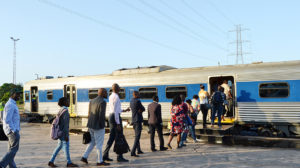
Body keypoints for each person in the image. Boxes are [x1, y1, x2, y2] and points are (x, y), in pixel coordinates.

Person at [81, 88, 110, 166]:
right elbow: (101, 115)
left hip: (91, 124)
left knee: (93, 142)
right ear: (102, 93)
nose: (107, 94)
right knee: (99, 144)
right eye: (106, 92)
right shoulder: (103, 102)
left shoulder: (92, 101)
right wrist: (102, 126)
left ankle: (84, 156)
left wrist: (89, 124)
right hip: (98, 126)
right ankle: (100, 161)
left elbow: (89, 113)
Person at [103, 83, 130, 162]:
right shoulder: (116, 97)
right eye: (119, 88)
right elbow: (115, 111)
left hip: (111, 116)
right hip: (115, 117)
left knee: (112, 137)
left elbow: (116, 109)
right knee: (119, 136)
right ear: (117, 89)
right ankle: (119, 156)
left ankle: (105, 155)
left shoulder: (111, 96)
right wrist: (118, 123)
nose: (120, 89)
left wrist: (124, 110)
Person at [48, 97, 78, 167]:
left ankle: (51, 161)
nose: (69, 102)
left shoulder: (61, 110)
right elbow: (65, 125)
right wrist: (66, 135)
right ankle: (69, 162)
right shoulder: (65, 111)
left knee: (59, 147)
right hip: (63, 133)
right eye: (67, 101)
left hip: (59, 132)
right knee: (66, 147)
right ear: (64, 102)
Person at [0, 89, 22, 168]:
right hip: (12, 132)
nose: (19, 96)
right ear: (12, 94)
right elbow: (7, 119)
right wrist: (14, 130)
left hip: (11, 131)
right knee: (13, 150)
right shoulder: (10, 104)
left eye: (19, 94)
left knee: (11, 151)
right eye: (17, 94)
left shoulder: (12, 104)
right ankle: (2, 164)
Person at [130, 91, 145, 157]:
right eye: (138, 94)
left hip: (134, 120)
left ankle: (138, 150)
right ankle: (133, 151)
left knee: (136, 135)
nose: (139, 95)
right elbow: (143, 108)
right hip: (138, 120)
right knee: (137, 137)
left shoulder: (131, 101)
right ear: (136, 95)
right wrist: (141, 109)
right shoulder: (137, 101)